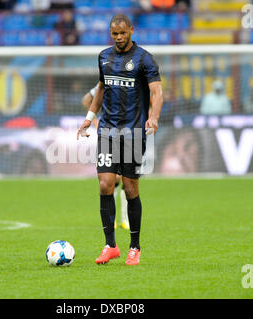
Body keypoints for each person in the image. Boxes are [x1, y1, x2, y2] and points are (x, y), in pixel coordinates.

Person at [77, 14, 163, 266]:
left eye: (123, 33)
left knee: (130, 188)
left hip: (134, 132)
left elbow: (157, 91)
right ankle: (110, 245)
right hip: (107, 130)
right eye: (115, 34)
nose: (119, 38)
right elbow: (101, 89)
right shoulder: (104, 56)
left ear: (131, 31)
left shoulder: (144, 59)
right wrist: (89, 117)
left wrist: (154, 117)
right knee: (105, 184)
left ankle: (134, 247)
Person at [81, 83, 130, 231]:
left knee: (126, 177)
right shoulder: (108, 79)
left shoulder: (134, 78)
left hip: (129, 132)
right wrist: (95, 121)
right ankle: (115, 218)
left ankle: (124, 220)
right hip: (109, 133)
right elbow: (86, 100)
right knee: (111, 177)